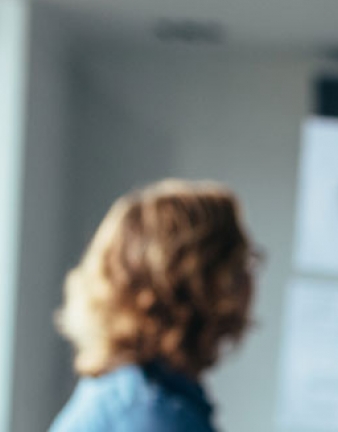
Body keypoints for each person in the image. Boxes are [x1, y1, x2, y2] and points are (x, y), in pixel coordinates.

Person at [50, 179, 258, 432]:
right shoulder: (151, 416)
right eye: (240, 264)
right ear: (195, 285)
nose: (250, 278)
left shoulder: (130, 392)